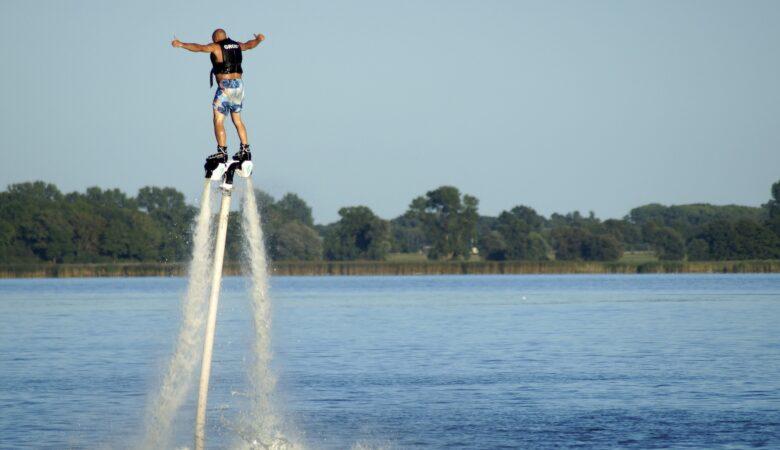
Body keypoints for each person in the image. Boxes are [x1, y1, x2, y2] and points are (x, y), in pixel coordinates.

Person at [171, 29, 265, 169]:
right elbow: (249, 45)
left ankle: (222, 152)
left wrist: (181, 44)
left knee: (218, 120)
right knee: (237, 120)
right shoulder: (237, 45)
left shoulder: (216, 46)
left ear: (215, 39)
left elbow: (199, 47)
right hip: (239, 86)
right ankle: (245, 151)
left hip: (225, 87)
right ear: (226, 36)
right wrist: (259, 39)